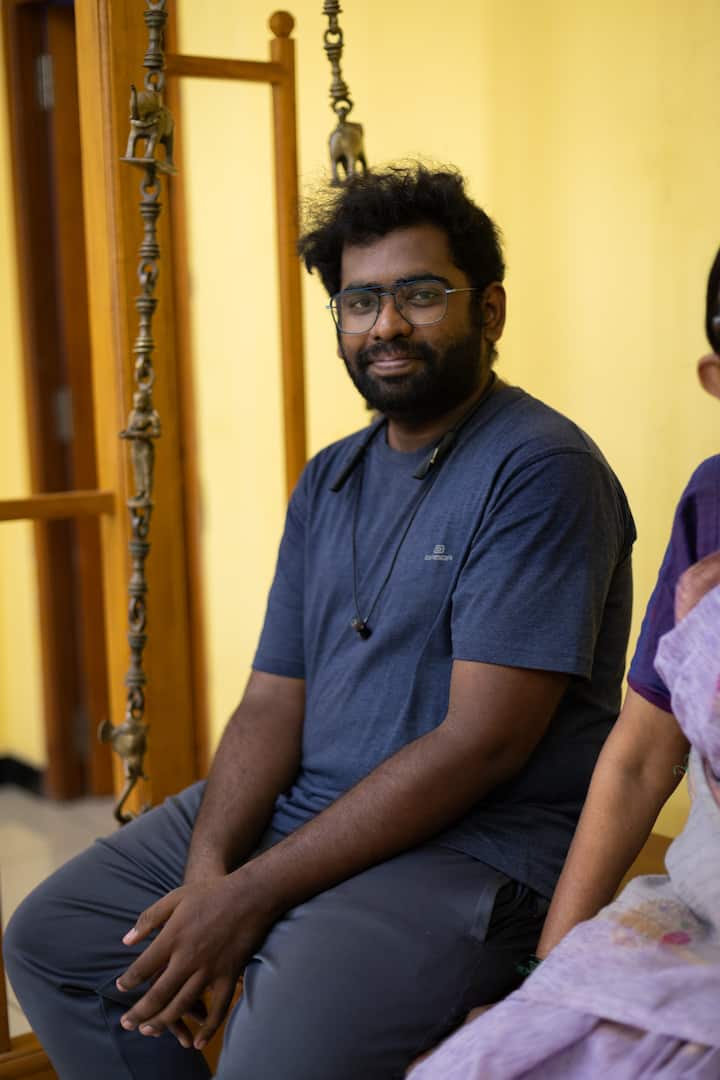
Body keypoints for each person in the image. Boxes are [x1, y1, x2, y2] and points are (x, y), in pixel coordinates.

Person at [4, 164, 635, 1080]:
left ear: (491, 311)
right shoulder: (330, 476)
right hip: (311, 806)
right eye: (359, 301)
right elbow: (271, 702)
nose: (386, 325)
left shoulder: (540, 469)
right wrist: (211, 876)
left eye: (421, 294)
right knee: (59, 937)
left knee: (274, 1057)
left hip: (471, 847)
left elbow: (484, 744)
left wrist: (250, 895)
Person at [409, 250, 720, 1079]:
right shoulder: (713, 505)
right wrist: (546, 978)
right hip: (700, 916)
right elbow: (641, 756)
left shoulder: (552, 471)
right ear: (716, 380)